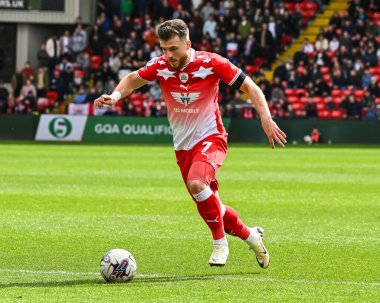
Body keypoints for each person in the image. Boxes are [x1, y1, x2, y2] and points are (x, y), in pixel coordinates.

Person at [95, 19, 286, 268]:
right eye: (164, 49)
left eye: (173, 49)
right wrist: (115, 95)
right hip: (183, 147)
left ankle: (220, 244)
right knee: (210, 203)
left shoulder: (211, 62)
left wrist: (266, 117)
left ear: (188, 43)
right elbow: (132, 79)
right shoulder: (160, 66)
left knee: (197, 184)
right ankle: (252, 237)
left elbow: (249, 86)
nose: (168, 55)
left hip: (211, 137)